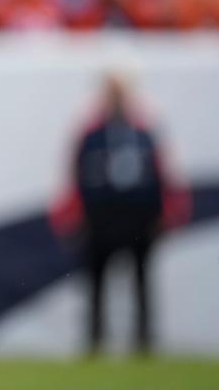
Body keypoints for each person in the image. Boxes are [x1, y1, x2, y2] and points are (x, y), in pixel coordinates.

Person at [52, 72, 190, 355]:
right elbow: (76, 175)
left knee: (141, 282)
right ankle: (95, 341)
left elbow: (161, 172)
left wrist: (167, 209)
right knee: (96, 284)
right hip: (100, 218)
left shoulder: (143, 131)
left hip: (138, 217)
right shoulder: (91, 134)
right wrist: (72, 214)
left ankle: (144, 342)